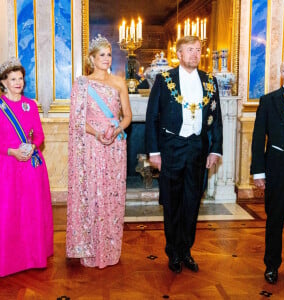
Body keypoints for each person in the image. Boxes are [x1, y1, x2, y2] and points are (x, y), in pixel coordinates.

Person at [145, 36, 223, 273]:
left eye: (198, 50)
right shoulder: (164, 79)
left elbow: (216, 120)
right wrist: (154, 152)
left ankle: (186, 250)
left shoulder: (210, 81)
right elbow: (152, 118)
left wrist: (215, 149)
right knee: (172, 201)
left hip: (198, 149)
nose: (195, 54)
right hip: (171, 148)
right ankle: (173, 252)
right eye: (190, 50)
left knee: (192, 201)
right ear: (179, 54)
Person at [66, 34, 132, 268]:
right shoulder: (82, 84)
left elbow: (128, 116)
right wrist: (97, 134)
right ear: (92, 59)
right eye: (101, 55)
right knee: (93, 195)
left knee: (112, 196)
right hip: (92, 147)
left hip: (115, 147)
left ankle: (111, 248)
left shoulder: (119, 82)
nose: (106, 58)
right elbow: (77, 121)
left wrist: (115, 132)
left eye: (109, 54)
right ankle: (91, 247)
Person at [0, 58, 53, 277]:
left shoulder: (30, 104)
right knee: (10, 211)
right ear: (3, 82)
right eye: (13, 79)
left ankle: (34, 255)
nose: (18, 82)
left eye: (20, 78)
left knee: (31, 211)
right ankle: (10, 259)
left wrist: (32, 146)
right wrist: (11, 151)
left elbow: (39, 135)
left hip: (31, 165)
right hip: (8, 166)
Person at [251, 54, 284, 284]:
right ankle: (272, 265)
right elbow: (258, 138)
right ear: (283, 75)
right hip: (278, 169)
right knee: (275, 220)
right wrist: (258, 172)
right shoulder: (269, 101)